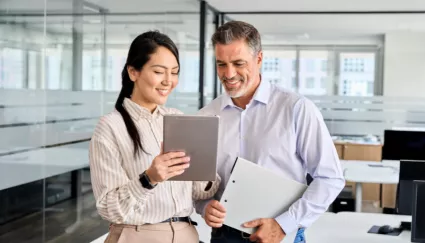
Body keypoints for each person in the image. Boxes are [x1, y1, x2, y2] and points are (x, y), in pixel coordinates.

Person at [195, 21, 345, 243]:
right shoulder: (206, 117)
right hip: (224, 236)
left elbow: (330, 178)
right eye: (221, 64)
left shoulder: (296, 108)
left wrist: (284, 224)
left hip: (280, 235)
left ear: (259, 59)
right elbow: (198, 185)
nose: (229, 73)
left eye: (238, 63)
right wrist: (204, 206)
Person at [89, 31, 220, 243]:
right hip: (136, 236)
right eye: (159, 71)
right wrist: (149, 178)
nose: (168, 81)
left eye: (175, 72)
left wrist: (205, 161)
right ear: (133, 72)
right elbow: (108, 208)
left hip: (186, 235)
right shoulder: (110, 127)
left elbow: (200, 192)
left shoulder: (177, 119)